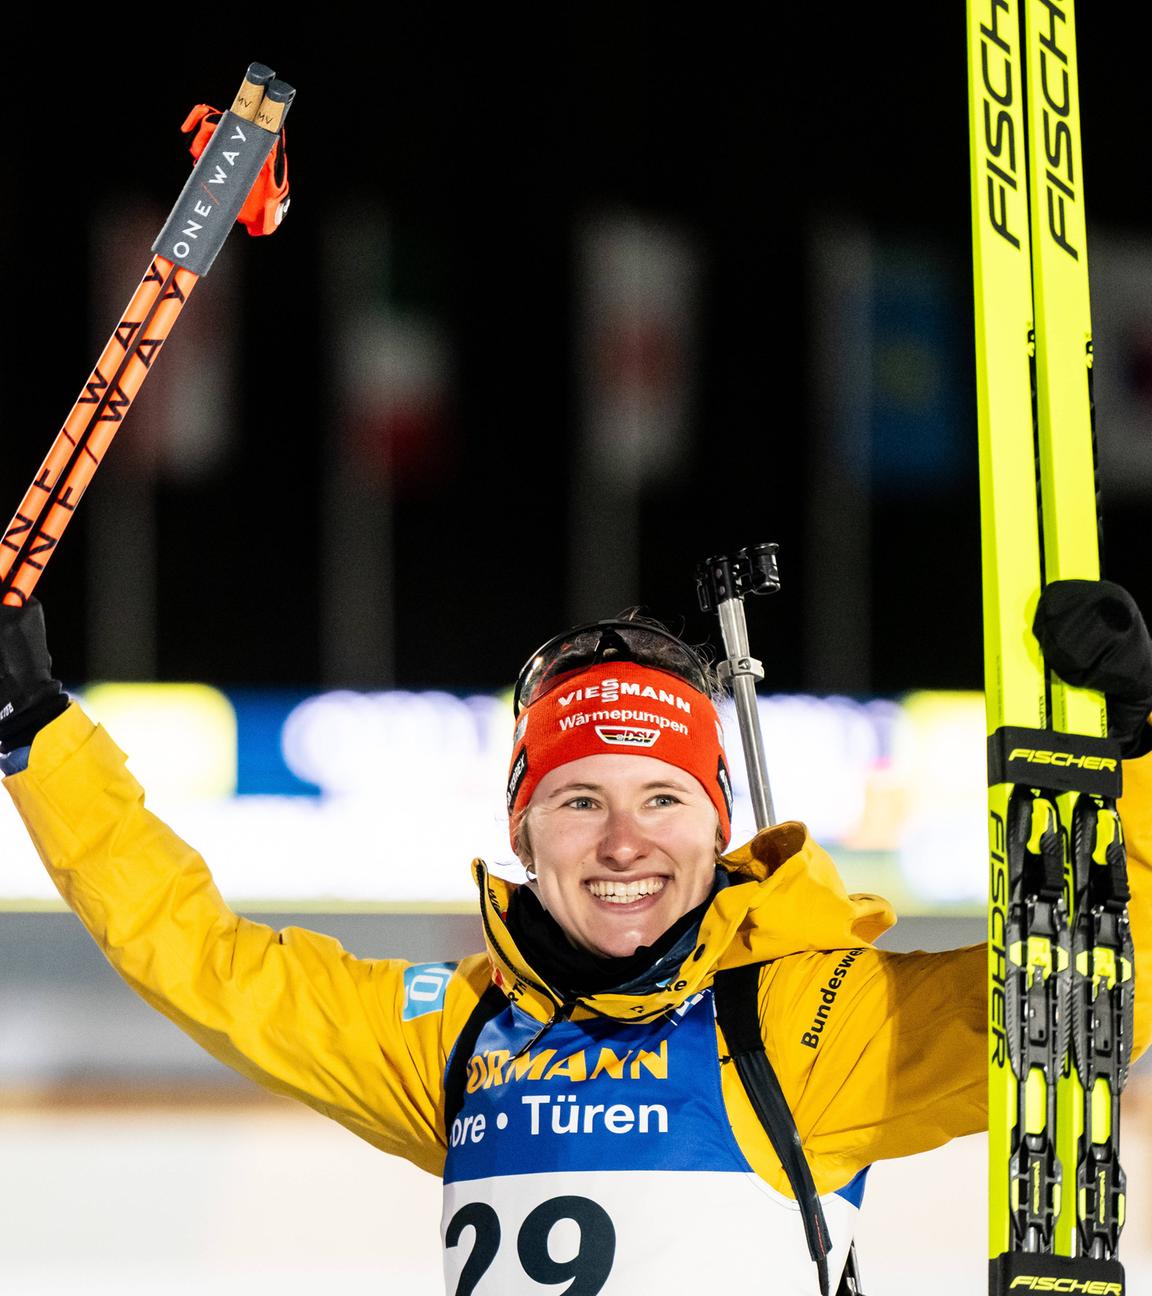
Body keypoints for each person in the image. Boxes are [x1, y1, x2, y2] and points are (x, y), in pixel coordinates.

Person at [1, 585, 1150, 1294]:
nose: (621, 844)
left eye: (662, 799)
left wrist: (1140, 754)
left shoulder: (812, 1027)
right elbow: (193, 952)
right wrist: (35, 733)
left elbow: (1106, 995)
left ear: (719, 821)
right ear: (522, 824)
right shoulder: (455, 1035)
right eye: (578, 800)